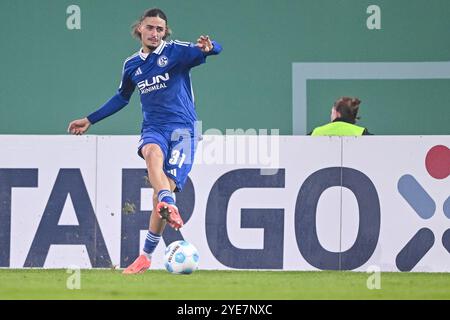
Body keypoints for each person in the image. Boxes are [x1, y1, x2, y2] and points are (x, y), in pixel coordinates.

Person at [67, 8, 222, 274]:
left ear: (166, 32)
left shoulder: (176, 52)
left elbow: (210, 50)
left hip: (184, 131)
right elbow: (122, 98)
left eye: (160, 29)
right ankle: (167, 202)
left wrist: (210, 47)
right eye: (150, 28)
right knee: (151, 152)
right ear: (140, 28)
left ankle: (147, 255)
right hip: (155, 127)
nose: (154, 33)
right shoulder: (131, 65)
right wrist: (91, 119)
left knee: (160, 198)